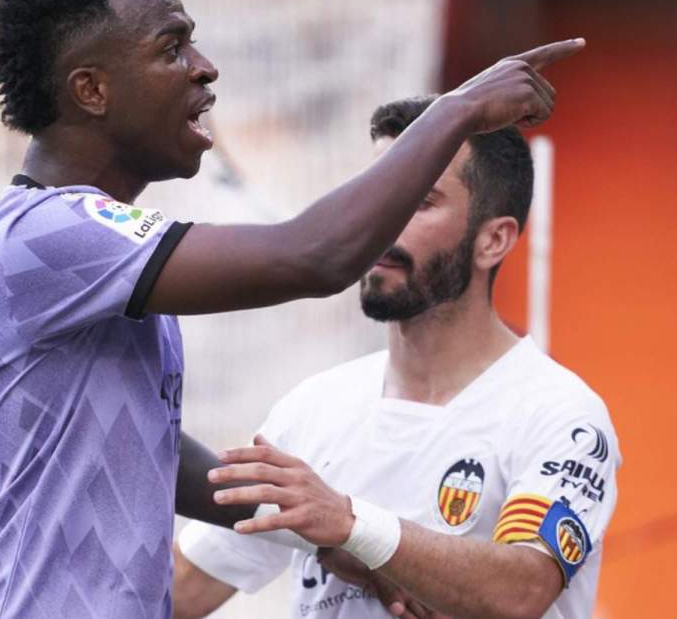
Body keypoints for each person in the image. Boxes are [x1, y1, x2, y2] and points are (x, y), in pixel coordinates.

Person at [0, 0, 582, 615]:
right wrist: (458, 109)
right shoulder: (48, 234)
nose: (204, 68)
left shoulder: (92, 250)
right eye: (171, 47)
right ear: (92, 89)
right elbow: (316, 255)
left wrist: (326, 534)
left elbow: (141, 440)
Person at [172, 95, 621, 619]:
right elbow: (179, 590)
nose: (381, 223)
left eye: (419, 200)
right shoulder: (314, 408)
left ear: (493, 241)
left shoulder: (560, 414)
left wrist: (351, 525)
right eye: (380, 195)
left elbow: (520, 590)